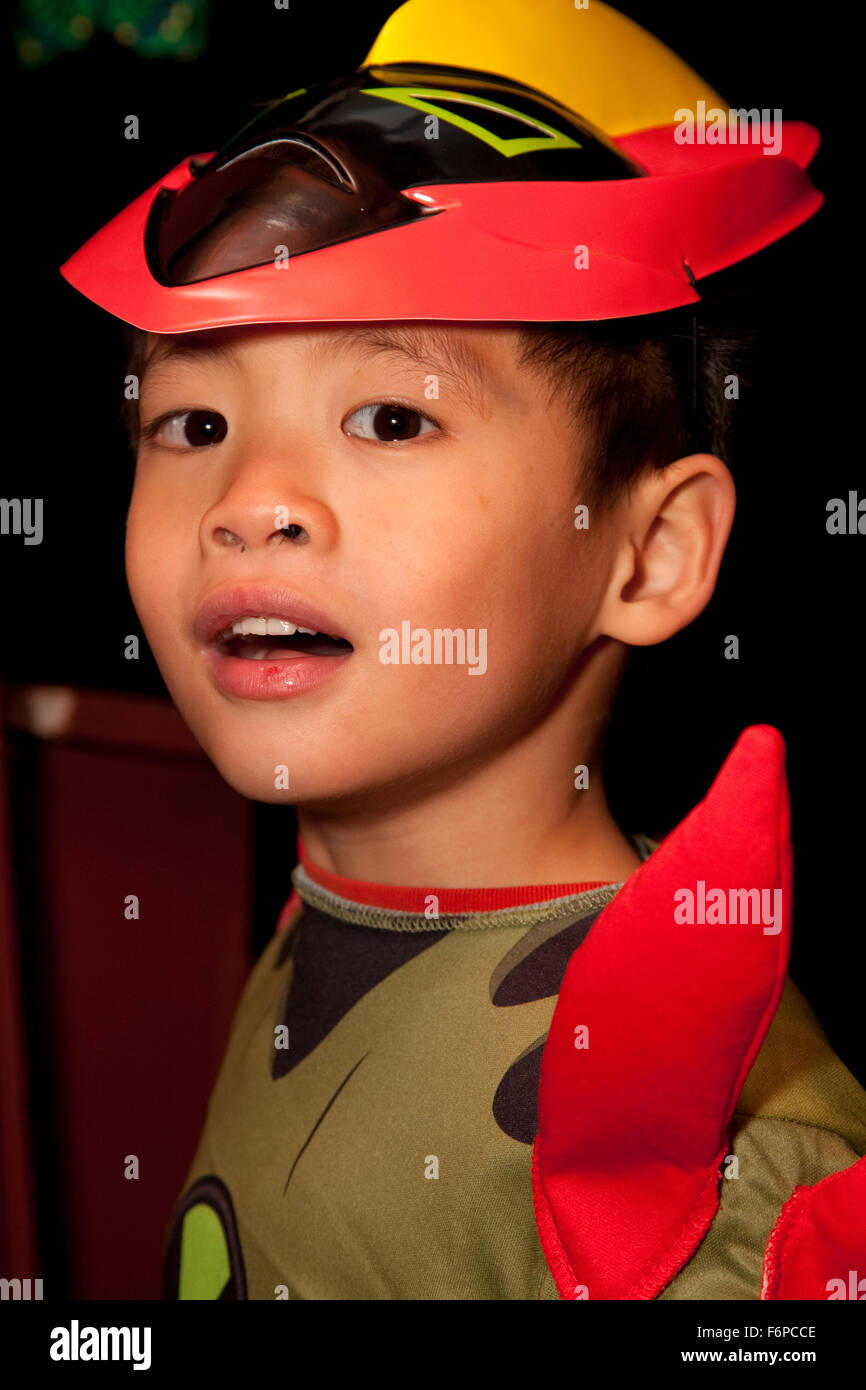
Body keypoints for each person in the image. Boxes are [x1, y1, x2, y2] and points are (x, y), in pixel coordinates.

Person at [60, 0, 865, 1299]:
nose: (248, 500)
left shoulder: (711, 1172)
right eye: (191, 423)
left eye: (387, 417)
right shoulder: (328, 913)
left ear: (649, 552)